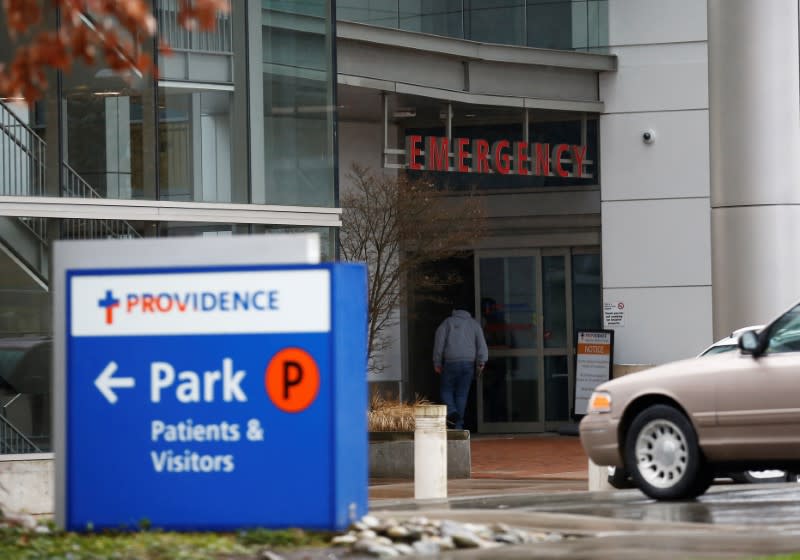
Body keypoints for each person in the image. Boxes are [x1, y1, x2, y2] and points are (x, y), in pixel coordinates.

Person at [432, 306, 489, 430]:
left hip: (450, 362)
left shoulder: (447, 323)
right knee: (462, 394)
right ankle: (458, 426)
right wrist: (481, 361)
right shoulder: (474, 324)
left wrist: (437, 362)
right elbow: (481, 344)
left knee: (446, 390)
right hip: (469, 363)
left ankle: (452, 411)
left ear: (454, 311)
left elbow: (439, 343)